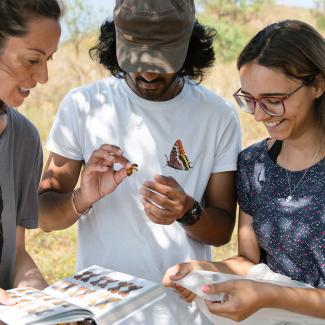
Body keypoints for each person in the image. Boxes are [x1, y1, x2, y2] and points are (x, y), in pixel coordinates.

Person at [39, 0, 241, 323]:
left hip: (182, 314)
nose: (147, 72)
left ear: (189, 46)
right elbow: (44, 216)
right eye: (135, 59)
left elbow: (222, 230)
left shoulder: (218, 117)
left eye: (162, 60)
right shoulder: (83, 106)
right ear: (116, 41)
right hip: (100, 314)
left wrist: (188, 211)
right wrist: (82, 197)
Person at [163, 19, 325, 322]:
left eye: (274, 101)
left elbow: (266, 288)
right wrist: (201, 270)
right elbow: (248, 261)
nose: (259, 115)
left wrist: (267, 295)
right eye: (250, 100)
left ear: (317, 84)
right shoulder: (254, 163)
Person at [0, 0, 62, 306]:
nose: (44, 77)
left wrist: (43, 302)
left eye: (49, 59)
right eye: (33, 60)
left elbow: (16, 254)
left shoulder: (24, 138)